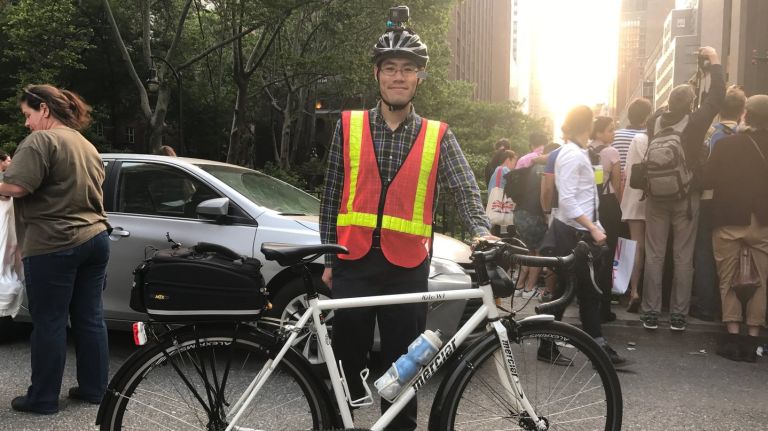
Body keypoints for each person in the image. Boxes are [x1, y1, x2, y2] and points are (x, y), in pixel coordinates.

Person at [319, 22, 494, 429]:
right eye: (390, 68)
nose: (398, 76)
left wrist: (481, 231)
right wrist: (328, 257)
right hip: (352, 261)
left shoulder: (438, 136)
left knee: (404, 367)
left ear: (419, 77)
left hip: (407, 267)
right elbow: (331, 195)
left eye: (408, 69)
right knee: (345, 366)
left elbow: (464, 189)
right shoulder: (348, 126)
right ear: (377, 74)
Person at [1, 85, 110, 414]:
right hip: (96, 237)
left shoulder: (41, 140)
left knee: (49, 322)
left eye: (28, 114)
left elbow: (17, 186)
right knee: (90, 318)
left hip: (54, 242)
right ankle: (94, 389)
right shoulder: (85, 144)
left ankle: (43, 399)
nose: (27, 123)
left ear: (44, 110)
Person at [640, 46, 725, 331]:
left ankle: (650, 312)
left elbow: (673, 105)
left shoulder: (654, 121)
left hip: (655, 196)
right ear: (690, 105)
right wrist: (714, 63)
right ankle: (678, 314)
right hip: (686, 198)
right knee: (683, 256)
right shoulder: (696, 122)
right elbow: (717, 97)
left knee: (654, 255)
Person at [540, 105, 625, 366]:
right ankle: (588, 346)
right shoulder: (571, 155)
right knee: (573, 291)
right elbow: (567, 200)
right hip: (573, 234)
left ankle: (588, 345)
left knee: (580, 291)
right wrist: (594, 227)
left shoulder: (577, 152)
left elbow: (584, 197)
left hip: (578, 232)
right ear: (586, 125)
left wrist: (595, 225)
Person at [704, 94, 768, 362]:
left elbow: (707, 178)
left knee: (728, 278)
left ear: (745, 115)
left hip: (729, 218)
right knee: (761, 281)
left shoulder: (726, 145)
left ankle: (732, 337)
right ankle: (753, 340)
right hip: (763, 220)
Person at [691, 85, 746, 321]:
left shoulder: (709, 134)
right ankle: (735, 306)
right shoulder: (746, 136)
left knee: (705, 252)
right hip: (739, 203)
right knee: (737, 255)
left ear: (719, 110)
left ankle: (705, 305)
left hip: (708, 199)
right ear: (742, 111)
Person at [512, 143, 559, 300]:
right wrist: (546, 213)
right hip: (534, 214)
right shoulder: (545, 168)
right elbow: (545, 192)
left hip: (520, 212)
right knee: (539, 253)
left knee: (531, 251)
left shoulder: (532, 167)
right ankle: (529, 289)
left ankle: (519, 286)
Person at [590, 116, 623, 321]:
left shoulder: (585, 150)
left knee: (590, 256)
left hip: (589, 206)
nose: (613, 133)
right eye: (610, 130)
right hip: (608, 205)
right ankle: (604, 308)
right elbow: (617, 184)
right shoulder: (611, 152)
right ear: (599, 132)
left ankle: (587, 302)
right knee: (608, 256)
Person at [612, 98, 653, 174]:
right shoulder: (649, 137)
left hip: (617, 180)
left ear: (629, 115)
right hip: (639, 180)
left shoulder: (614, 135)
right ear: (648, 117)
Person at [487, 149, 518, 237]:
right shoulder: (504, 170)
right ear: (508, 159)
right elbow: (516, 185)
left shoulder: (496, 171)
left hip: (496, 213)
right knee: (506, 236)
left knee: (498, 235)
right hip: (504, 214)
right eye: (514, 161)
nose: (515, 165)